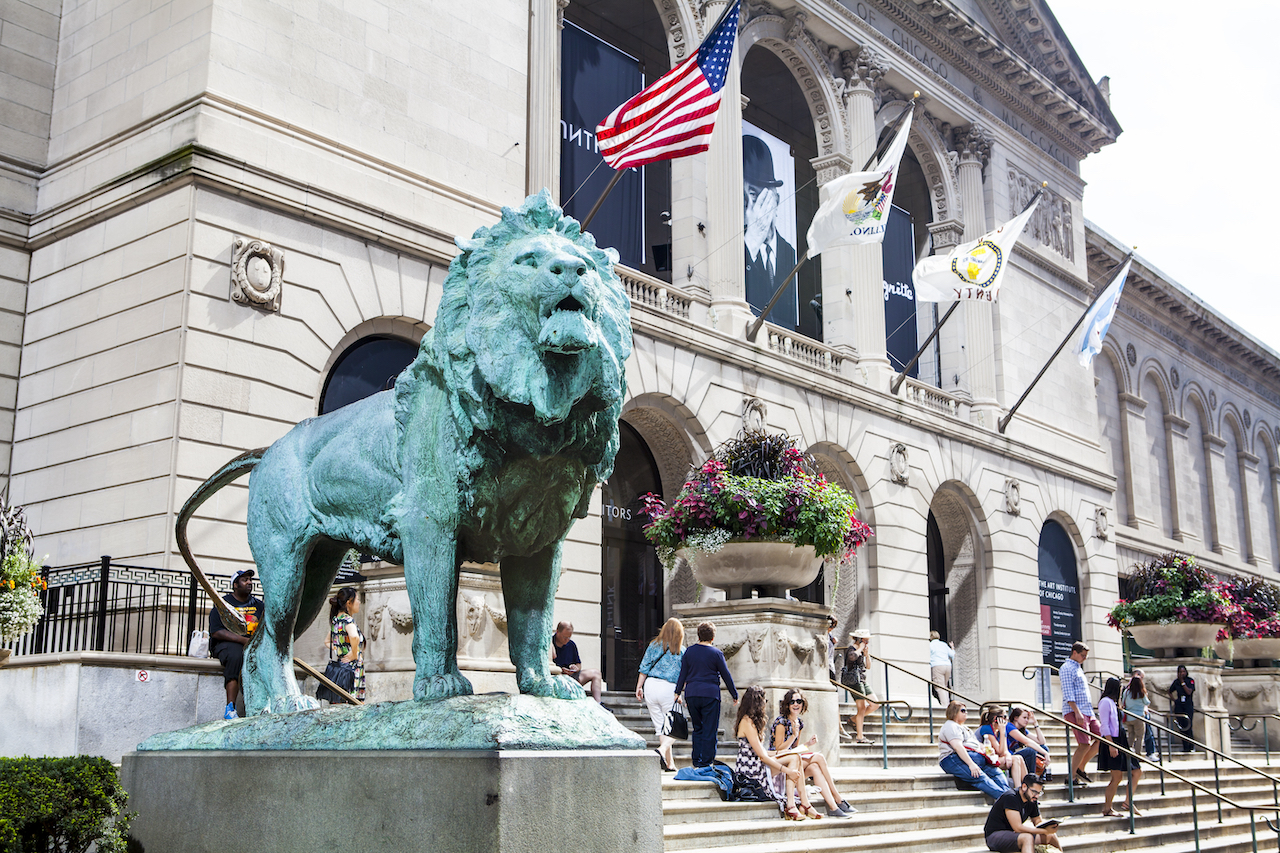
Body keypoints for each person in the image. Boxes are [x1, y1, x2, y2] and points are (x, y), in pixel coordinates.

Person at [770, 687, 855, 818]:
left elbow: (794, 750)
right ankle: (837, 798)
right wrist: (793, 735)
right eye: (792, 702)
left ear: (803, 703)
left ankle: (833, 807)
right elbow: (778, 750)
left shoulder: (799, 722)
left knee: (815, 767)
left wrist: (808, 744)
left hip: (792, 762)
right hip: (779, 764)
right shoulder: (781, 722)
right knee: (819, 758)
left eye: (799, 701)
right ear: (787, 705)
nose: (796, 704)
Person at [735, 685, 816, 821]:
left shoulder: (750, 720)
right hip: (750, 770)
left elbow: (762, 752)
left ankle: (804, 803)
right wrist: (787, 770)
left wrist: (783, 753)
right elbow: (761, 756)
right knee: (793, 759)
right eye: (764, 701)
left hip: (757, 763)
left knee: (795, 756)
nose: (765, 705)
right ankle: (792, 806)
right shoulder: (747, 721)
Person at [742, 134, 798, 327]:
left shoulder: (791, 254)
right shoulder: (742, 247)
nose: (750, 208)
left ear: (776, 199)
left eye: (755, 196)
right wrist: (751, 243)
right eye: (745, 198)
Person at [675, 622, 739, 767]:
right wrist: (734, 694)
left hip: (692, 694)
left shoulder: (689, 652)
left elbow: (683, 673)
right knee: (710, 729)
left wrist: (677, 692)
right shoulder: (716, 653)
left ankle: (696, 760)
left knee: (698, 728)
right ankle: (707, 761)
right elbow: (726, 675)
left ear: (699, 635)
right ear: (712, 637)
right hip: (710, 694)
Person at [208, 569, 263, 720]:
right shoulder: (223, 604)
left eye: (250, 580)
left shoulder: (258, 605)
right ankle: (230, 708)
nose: (249, 583)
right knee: (236, 655)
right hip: (227, 644)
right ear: (235, 585)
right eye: (245, 580)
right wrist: (243, 640)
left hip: (252, 644)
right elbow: (216, 632)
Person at [636, 617, 684, 772]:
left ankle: (669, 764)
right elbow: (684, 675)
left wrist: (639, 687)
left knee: (661, 727)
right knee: (675, 727)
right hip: (669, 688)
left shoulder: (653, 645)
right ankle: (662, 750)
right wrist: (680, 692)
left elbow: (644, 667)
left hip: (650, 685)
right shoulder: (682, 651)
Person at [938, 700, 1012, 800]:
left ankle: (1009, 796)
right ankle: (1007, 800)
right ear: (954, 712)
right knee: (980, 777)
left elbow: (977, 744)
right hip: (953, 759)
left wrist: (986, 749)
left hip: (975, 757)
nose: (966, 712)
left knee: (996, 772)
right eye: (963, 710)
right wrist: (971, 764)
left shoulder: (964, 727)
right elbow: (958, 747)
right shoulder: (951, 726)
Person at [982, 774, 1063, 853]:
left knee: (1051, 836)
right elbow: (1017, 828)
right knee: (1027, 838)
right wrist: (1043, 831)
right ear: (1024, 787)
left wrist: (1048, 827)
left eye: (1039, 793)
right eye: (1034, 792)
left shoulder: (1032, 800)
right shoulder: (1011, 797)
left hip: (1013, 835)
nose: (1037, 796)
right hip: (994, 836)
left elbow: (1038, 822)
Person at [1097, 676, 1142, 816]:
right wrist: (1111, 744)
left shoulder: (1112, 703)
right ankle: (1107, 808)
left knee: (1136, 770)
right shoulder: (1105, 702)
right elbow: (1104, 724)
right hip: (1113, 741)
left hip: (1121, 740)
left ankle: (1128, 801)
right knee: (1117, 777)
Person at [1059, 641, 1099, 785]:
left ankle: (1080, 768)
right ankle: (1072, 776)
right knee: (1084, 744)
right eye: (1083, 655)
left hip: (1087, 710)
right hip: (1076, 710)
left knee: (1103, 737)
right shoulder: (1067, 668)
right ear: (1074, 653)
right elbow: (1068, 692)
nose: (1085, 658)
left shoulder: (1078, 668)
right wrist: (1077, 712)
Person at [842, 629, 880, 744]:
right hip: (854, 681)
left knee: (875, 704)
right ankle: (860, 736)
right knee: (862, 708)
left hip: (862, 680)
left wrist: (867, 655)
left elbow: (867, 667)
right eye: (865, 640)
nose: (867, 642)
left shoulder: (861, 650)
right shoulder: (852, 649)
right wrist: (860, 648)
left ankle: (853, 719)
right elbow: (852, 657)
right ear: (859, 639)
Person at [327, 587, 365, 701]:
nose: (359, 602)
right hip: (353, 668)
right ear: (349, 602)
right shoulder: (348, 620)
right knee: (353, 702)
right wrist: (353, 653)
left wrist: (340, 651)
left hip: (341, 668)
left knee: (340, 700)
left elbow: (326, 641)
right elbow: (354, 636)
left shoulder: (336, 620)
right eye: (357, 599)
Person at [551, 621, 604, 702]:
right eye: (565, 637)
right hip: (557, 678)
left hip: (572, 677)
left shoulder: (571, 645)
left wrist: (576, 668)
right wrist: (561, 670)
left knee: (596, 673)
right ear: (557, 632)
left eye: (569, 637)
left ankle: (598, 703)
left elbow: (578, 664)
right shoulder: (549, 643)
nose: (567, 640)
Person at [979, 707, 1028, 787]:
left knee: (1019, 758)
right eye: (1004, 717)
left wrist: (1008, 755)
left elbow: (1004, 751)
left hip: (992, 758)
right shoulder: (987, 728)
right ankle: (1018, 789)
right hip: (983, 761)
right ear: (996, 718)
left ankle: (1027, 787)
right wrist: (1002, 732)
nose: (1007, 719)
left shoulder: (998, 730)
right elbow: (1000, 751)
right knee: (1015, 759)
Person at [1007, 707, 1053, 782]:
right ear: (1016, 718)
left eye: (1027, 718)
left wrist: (1035, 723)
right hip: (1009, 758)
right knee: (1030, 751)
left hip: (1017, 757)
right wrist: (1046, 754)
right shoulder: (1009, 726)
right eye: (1024, 717)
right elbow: (1027, 741)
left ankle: (1040, 777)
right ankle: (1032, 780)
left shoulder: (1023, 730)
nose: (1026, 720)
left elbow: (1041, 741)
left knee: (1043, 748)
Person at [1121, 672, 1151, 759]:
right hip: (1139, 717)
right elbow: (1147, 702)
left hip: (1129, 717)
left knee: (1131, 736)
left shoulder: (1126, 692)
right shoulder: (1141, 693)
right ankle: (1138, 754)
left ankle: (1128, 752)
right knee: (1139, 736)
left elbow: (1123, 703)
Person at [1169, 664, 1196, 752]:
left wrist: (1183, 682)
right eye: (1180, 672)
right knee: (1182, 726)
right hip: (1179, 706)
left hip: (1188, 705)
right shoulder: (1176, 682)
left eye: (1183, 672)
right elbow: (1169, 691)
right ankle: (1185, 747)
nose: (1182, 674)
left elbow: (1188, 692)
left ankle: (1191, 746)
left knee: (1188, 725)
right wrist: (1175, 700)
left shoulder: (1190, 680)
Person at [929, 630, 955, 702]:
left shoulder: (930, 645)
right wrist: (952, 648)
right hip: (947, 666)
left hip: (937, 665)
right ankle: (947, 703)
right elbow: (952, 655)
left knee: (939, 687)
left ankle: (945, 706)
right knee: (944, 686)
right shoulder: (944, 644)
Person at [826, 616, 840, 681]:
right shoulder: (824, 634)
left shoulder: (830, 635)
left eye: (834, 627)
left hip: (830, 664)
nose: (831, 628)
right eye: (831, 626)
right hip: (826, 665)